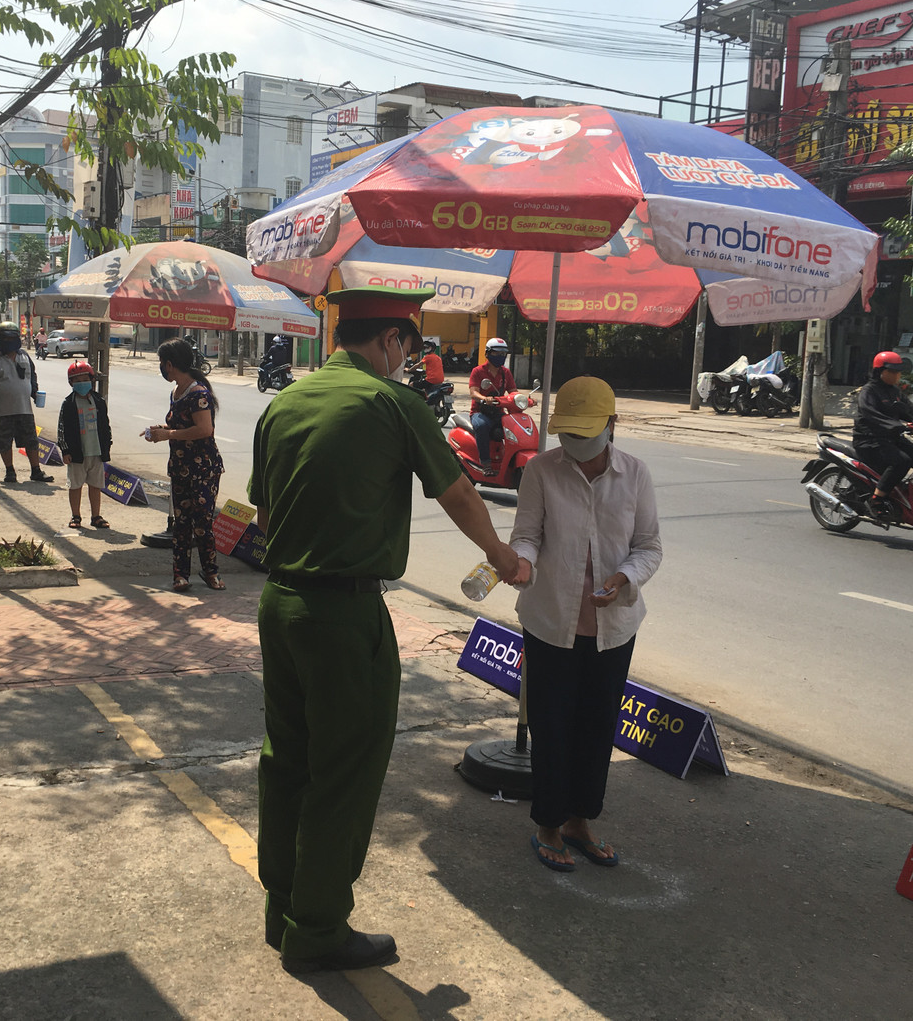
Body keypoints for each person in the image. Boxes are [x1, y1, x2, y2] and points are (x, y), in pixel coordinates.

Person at [249, 285, 520, 975]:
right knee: (344, 768)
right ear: (392, 340)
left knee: (287, 759)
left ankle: (283, 911)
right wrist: (502, 556)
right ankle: (317, 930)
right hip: (344, 615)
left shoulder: (284, 403)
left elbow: (263, 512)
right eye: (408, 346)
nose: (407, 359)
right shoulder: (393, 403)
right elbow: (458, 492)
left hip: (280, 604)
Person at [508, 376, 662, 873]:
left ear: (612, 424)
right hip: (551, 622)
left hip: (614, 628)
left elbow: (649, 547)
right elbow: (527, 534)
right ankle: (548, 826)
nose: (575, 442)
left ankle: (580, 822)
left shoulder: (635, 474)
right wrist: (522, 562)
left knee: (597, 729)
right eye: (568, 433)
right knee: (551, 727)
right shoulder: (541, 470)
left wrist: (623, 578)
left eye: (585, 432)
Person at [144, 338, 224, 592]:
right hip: (180, 468)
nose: (161, 368)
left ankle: (210, 572)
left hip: (203, 470)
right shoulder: (176, 392)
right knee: (181, 524)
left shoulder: (199, 394)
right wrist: (160, 430)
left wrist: (168, 434)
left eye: (161, 363)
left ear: (170, 364)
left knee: (202, 523)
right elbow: (179, 426)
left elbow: (204, 429)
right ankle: (181, 575)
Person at [0, 323, 54, 485]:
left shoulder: (25, 356)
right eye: (6, 338)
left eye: (12, 338)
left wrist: (34, 392)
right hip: (2, 410)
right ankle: (10, 471)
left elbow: (32, 376)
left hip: (24, 409)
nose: (9, 341)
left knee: (31, 441)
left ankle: (36, 470)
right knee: (4, 442)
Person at [853, 351, 913, 518]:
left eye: (898, 372)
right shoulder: (868, 391)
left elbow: (911, 410)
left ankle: (908, 493)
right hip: (870, 440)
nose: (897, 375)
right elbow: (870, 413)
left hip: (891, 438)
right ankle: (876, 500)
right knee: (901, 461)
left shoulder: (894, 391)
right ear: (880, 371)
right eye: (892, 371)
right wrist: (894, 425)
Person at [58, 360, 113, 530]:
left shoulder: (99, 401)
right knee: (75, 486)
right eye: (77, 381)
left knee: (96, 485)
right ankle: (76, 515)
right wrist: (65, 450)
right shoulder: (69, 404)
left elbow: (105, 425)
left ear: (91, 380)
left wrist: (107, 446)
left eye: (85, 380)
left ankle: (96, 516)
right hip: (77, 453)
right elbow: (62, 429)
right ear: (71, 383)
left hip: (96, 451)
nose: (82, 383)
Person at [468, 337, 517, 471]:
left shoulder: (506, 373)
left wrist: (523, 399)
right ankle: (486, 464)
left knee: (515, 427)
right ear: (488, 353)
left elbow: (513, 391)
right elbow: (473, 393)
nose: (500, 356)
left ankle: (510, 460)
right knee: (482, 426)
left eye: (503, 353)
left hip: (498, 412)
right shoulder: (478, 371)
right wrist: (484, 398)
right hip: (480, 412)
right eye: (496, 353)